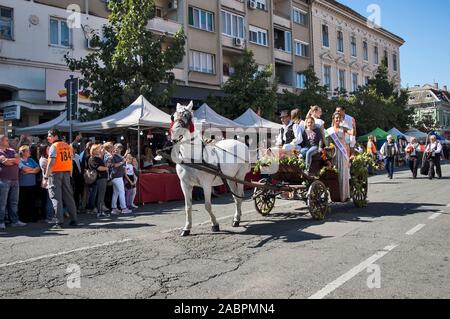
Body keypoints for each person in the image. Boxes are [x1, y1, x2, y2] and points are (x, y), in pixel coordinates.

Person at [44, 129, 78, 229]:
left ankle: (59, 222)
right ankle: (74, 219)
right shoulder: (67, 146)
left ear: (55, 136)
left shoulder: (53, 146)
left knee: (56, 197)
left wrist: (46, 176)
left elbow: (51, 163)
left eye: (49, 135)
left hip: (55, 173)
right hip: (66, 172)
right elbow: (71, 161)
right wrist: (70, 174)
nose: (48, 137)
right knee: (69, 197)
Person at [0, 135, 27, 230]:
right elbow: (5, 162)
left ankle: (14, 221)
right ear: (1, 141)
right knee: (2, 203)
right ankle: (1, 221)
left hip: (15, 180)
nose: (9, 142)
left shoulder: (11, 150)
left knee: (14, 202)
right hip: (3, 180)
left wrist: (11, 160)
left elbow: (19, 160)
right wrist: (13, 161)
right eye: (7, 140)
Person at [327, 113, 352, 202]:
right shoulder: (329, 130)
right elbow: (327, 142)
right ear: (333, 119)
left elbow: (349, 138)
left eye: (339, 118)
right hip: (333, 153)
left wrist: (353, 126)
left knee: (342, 175)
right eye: (336, 118)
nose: (337, 119)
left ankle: (344, 196)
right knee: (334, 175)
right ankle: (335, 195)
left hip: (342, 153)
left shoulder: (344, 129)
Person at [18, 145, 41, 222]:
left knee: (31, 202)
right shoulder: (19, 161)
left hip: (32, 185)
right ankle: (23, 218)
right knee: (23, 202)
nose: (29, 152)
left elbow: (38, 169)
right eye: (27, 151)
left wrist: (29, 171)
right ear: (23, 152)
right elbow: (24, 169)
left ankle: (32, 217)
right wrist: (32, 170)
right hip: (22, 185)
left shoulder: (31, 160)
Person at [107, 143, 131, 214]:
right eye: (116, 148)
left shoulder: (118, 156)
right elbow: (114, 165)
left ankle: (114, 209)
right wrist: (122, 162)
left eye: (119, 148)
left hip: (117, 176)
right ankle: (124, 208)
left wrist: (126, 154)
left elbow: (122, 159)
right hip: (117, 176)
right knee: (121, 192)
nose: (117, 149)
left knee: (116, 192)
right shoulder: (113, 156)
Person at [88, 144, 110, 218]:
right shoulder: (93, 159)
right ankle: (100, 212)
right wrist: (106, 168)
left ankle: (101, 211)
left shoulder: (96, 158)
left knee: (101, 195)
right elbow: (99, 168)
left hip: (101, 178)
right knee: (101, 196)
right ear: (94, 151)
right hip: (100, 178)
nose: (99, 150)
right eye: (97, 149)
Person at [38, 143, 54, 223]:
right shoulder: (43, 160)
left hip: (51, 180)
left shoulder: (48, 158)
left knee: (52, 199)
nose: (49, 151)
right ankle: (49, 217)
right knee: (50, 200)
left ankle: (51, 216)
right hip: (47, 182)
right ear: (44, 150)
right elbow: (51, 168)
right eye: (48, 149)